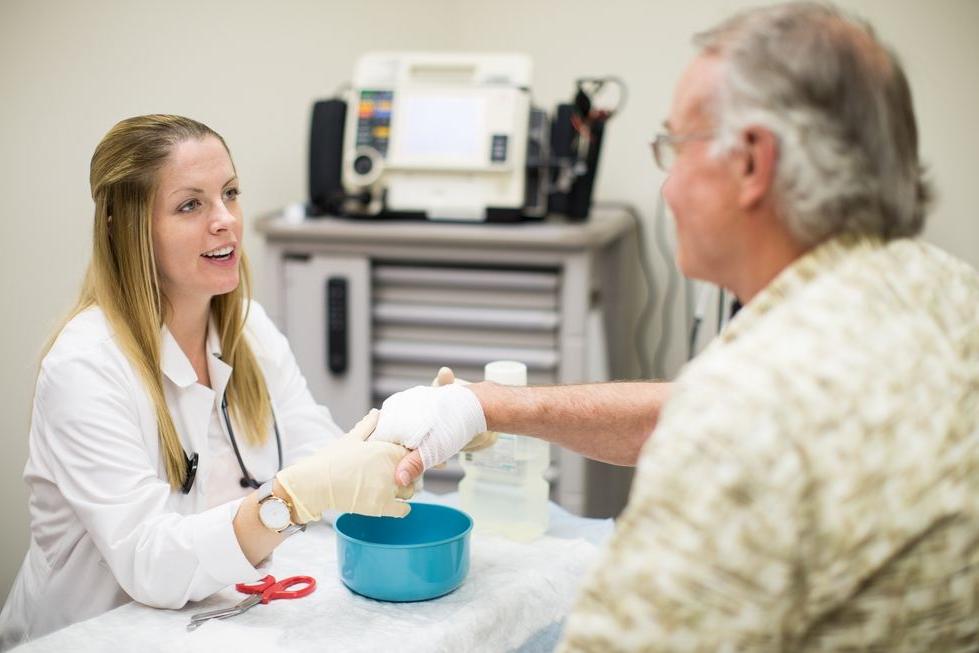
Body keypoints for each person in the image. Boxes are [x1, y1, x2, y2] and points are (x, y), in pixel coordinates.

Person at [372, 2, 979, 649]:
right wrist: (483, 403)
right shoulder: (948, 290)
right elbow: (692, 417)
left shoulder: (747, 413)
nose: (666, 189)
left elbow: (730, 428)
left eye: (675, 147)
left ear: (750, 163)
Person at [0, 115, 413, 649]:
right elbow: (151, 560)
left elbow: (323, 457)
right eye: (190, 205)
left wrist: (416, 437)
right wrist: (288, 501)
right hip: (92, 636)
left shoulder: (248, 327)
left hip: (213, 625)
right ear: (126, 227)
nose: (227, 221)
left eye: (231, 193)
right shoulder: (85, 367)